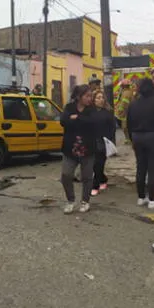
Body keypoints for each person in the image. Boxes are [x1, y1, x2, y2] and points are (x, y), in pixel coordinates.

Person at [127, 78, 154, 209]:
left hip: (137, 137)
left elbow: (128, 122)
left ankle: (141, 197)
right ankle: (153, 199)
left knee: (140, 167)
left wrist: (132, 137)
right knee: (153, 168)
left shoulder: (134, 104)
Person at [60, 85, 96, 214]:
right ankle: (71, 200)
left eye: (90, 96)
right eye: (87, 96)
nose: (89, 98)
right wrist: (74, 120)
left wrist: (77, 118)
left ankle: (85, 201)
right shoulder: (69, 107)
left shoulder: (92, 109)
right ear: (78, 96)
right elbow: (63, 121)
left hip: (87, 149)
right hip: (71, 148)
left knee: (87, 176)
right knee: (66, 175)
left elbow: (92, 122)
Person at [90, 90, 117, 196]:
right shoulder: (90, 112)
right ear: (93, 100)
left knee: (98, 164)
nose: (100, 100)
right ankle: (103, 179)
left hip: (103, 142)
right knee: (93, 165)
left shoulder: (108, 112)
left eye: (102, 97)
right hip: (91, 141)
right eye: (98, 98)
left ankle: (95, 186)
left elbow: (112, 128)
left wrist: (109, 139)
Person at [115, 79, 135, 144]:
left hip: (126, 113)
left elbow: (124, 103)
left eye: (121, 86)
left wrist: (119, 111)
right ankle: (128, 139)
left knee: (125, 127)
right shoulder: (127, 91)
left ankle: (129, 140)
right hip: (128, 112)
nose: (120, 87)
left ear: (124, 86)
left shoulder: (126, 93)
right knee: (126, 127)